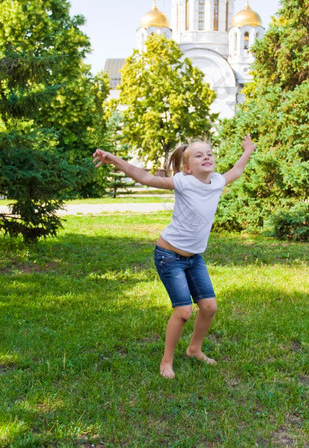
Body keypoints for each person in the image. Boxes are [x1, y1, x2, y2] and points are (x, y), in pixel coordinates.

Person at [93, 135, 256, 379]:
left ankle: (194, 349)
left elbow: (238, 169)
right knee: (183, 311)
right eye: (199, 155)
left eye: (209, 154)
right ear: (188, 168)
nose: (207, 157)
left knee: (209, 307)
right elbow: (147, 178)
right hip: (169, 255)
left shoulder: (217, 182)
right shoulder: (183, 181)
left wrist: (248, 150)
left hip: (194, 258)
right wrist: (115, 160)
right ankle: (166, 360)